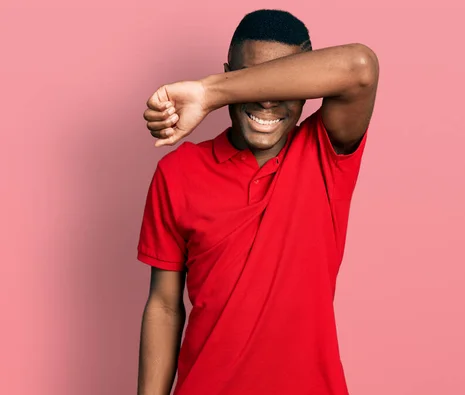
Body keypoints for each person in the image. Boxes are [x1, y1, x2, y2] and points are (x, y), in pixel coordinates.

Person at [137, 9, 379, 395]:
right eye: (251, 83)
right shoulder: (177, 172)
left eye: (279, 84)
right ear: (230, 70)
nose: (267, 103)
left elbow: (360, 66)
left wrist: (209, 93)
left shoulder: (325, 153)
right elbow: (164, 306)